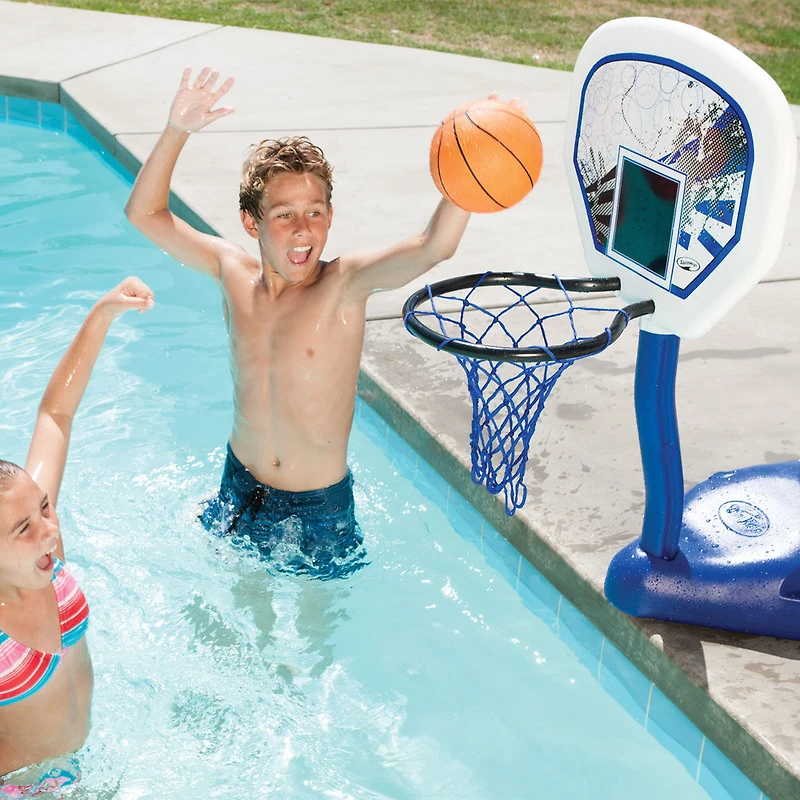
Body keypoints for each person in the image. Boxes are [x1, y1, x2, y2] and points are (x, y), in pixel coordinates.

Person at [125, 66, 472, 580]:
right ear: (252, 222)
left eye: (315, 212)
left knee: (315, 645)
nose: (303, 228)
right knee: (241, 631)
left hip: (318, 508)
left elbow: (433, 247)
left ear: (331, 216)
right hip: (239, 488)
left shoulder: (343, 286)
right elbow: (145, 213)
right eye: (284, 214)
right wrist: (177, 130)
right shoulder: (232, 272)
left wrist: (470, 170)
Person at [0, 277, 154, 794]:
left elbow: (55, 414)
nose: (48, 529)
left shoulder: (49, 553)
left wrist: (101, 315)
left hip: (84, 765)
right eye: (24, 528)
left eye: (43, 507)